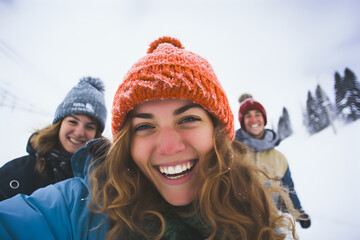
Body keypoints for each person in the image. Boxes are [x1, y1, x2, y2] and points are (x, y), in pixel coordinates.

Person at [0, 37, 299, 240]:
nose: (169, 146)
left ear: (218, 131)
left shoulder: (253, 211)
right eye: (144, 126)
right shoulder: (83, 208)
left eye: (188, 119)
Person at [0, 76, 107, 201]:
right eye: (73, 122)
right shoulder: (20, 171)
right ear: (59, 124)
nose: (79, 133)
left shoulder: (104, 181)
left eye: (89, 127)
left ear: (97, 134)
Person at [235, 94, 311, 229]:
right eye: (248, 116)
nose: (253, 119)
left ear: (264, 119)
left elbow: (288, 188)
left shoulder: (279, 158)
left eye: (257, 114)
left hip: (273, 222)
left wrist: (299, 213)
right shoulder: (232, 151)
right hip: (241, 225)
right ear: (242, 122)